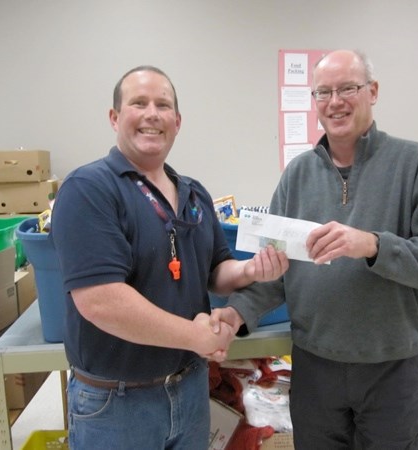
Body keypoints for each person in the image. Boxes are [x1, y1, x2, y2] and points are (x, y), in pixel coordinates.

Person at [212, 49, 418, 449]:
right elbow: (276, 271)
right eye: (323, 92)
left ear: (373, 91)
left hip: (392, 368)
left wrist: (373, 245)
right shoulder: (298, 175)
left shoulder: (416, 164)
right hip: (316, 367)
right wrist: (236, 311)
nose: (335, 102)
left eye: (348, 88)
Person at [50, 65, 289, 450]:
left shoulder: (194, 194)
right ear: (114, 117)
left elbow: (216, 272)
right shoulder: (88, 189)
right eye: (138, 103)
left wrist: (250, 269)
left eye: (163, 105)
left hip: (189, 390)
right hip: (117, 403)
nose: (152, 114)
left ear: (177, 122)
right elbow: (101, 301)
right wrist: (197, 337)